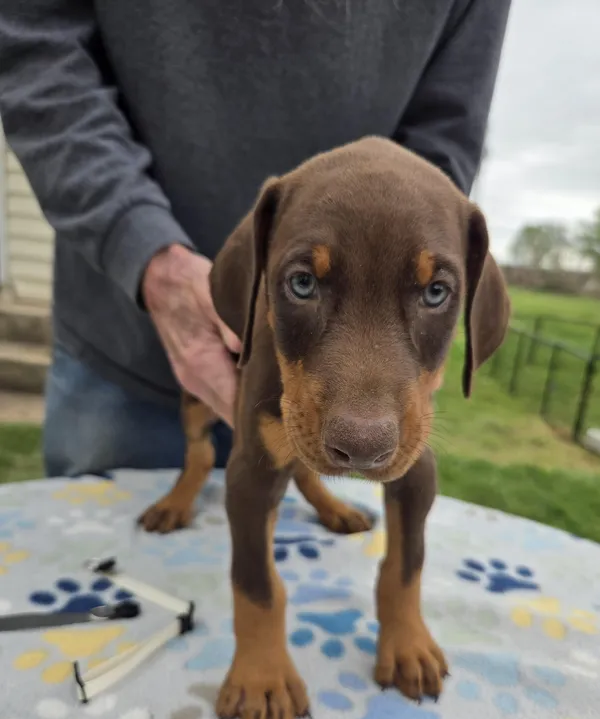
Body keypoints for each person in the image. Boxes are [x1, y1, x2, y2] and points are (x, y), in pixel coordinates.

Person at [0, 1, 511, 478]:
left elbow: (447, 132)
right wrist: (137, 242)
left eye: (436, 292)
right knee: (106, 554)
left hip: (346, 392)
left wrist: (411, 357)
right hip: (126, 343)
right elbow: (36, 49)